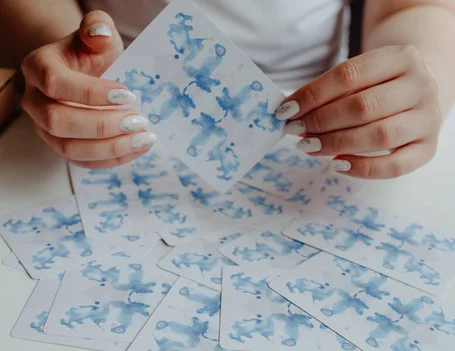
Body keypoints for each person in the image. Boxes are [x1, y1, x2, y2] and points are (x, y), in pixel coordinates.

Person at [1, 0, 454, 179]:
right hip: (107, 113)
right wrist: (61, 50)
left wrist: (423, 74)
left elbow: (413, 5)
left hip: (328, 126)